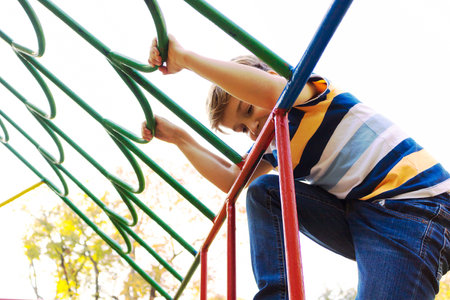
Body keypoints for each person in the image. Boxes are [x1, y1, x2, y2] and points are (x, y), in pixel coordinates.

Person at [142, 35, 450, 300]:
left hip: (414, 207)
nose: (252, 128)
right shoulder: (276, 144)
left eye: (248, 110)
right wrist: (180, 138)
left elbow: (273, 92)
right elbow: (234, 179)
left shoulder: (307, 92)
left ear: (271, 75)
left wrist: (184, 58)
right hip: (363, 216)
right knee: (263, 191)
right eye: (241, 128)